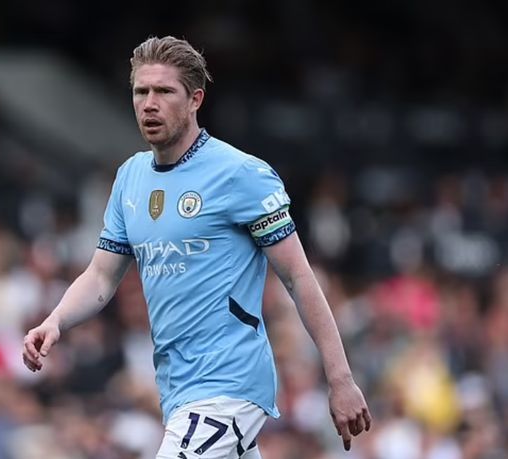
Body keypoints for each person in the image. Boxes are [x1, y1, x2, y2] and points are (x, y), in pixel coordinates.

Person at [23, 35, 371, 458]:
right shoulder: (130, 178)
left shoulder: (240, 175)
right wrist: (56, 320)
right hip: (177, 391)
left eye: (164, 91)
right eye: (141, 92)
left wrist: (340, 379)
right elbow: (100, 276)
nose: (149, 104)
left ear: (195, 100)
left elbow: (298, 277)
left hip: (230, 385)